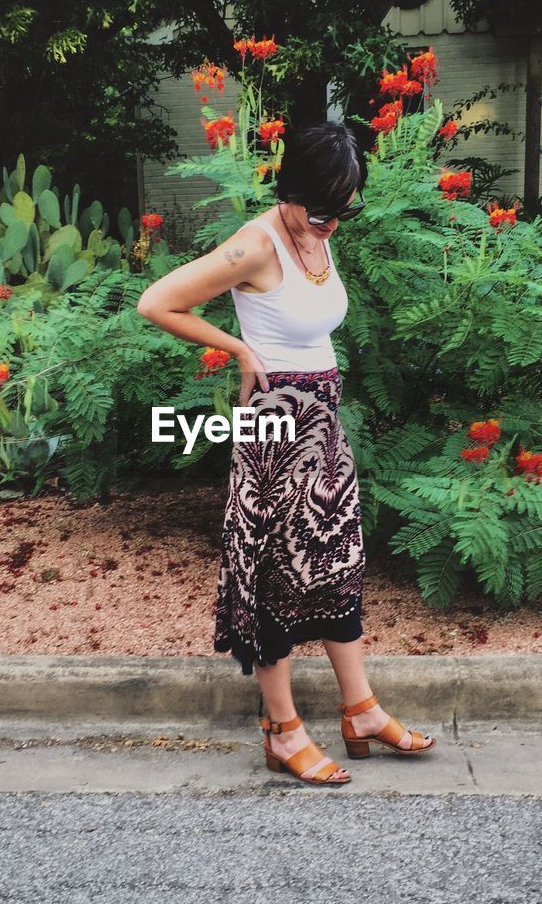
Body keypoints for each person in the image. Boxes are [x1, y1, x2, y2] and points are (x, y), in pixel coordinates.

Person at [136, 121, 435, 785]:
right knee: (277, 575)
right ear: (289, 189)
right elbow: (157, 301)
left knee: (336, 565)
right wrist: (241, 349)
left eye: (345, 208)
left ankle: (360, 711)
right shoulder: (256, 244)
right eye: (322, 208)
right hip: (277, 426)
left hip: (322, 424)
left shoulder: (316, 236)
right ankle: (282, 729)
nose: (334, 221)